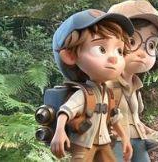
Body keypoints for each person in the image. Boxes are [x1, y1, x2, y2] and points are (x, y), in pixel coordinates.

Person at [50, 9, 135, 162]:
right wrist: (59, 132)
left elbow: (114, 117)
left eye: (119, 51)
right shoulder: (83, 93)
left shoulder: (107, 93)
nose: (113, 58)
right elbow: (65, 111)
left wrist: (125, 138)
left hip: (104, 141)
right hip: (84, 143)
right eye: (101, 49)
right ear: (70, 56)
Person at [107, 0, 158, 162]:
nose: (143, 53)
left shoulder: (135, 85)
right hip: (114, 143)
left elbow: (133, 119)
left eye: (150, 45)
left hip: (137, 141)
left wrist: (152, 133)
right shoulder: (107, 84)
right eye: (132, 41)